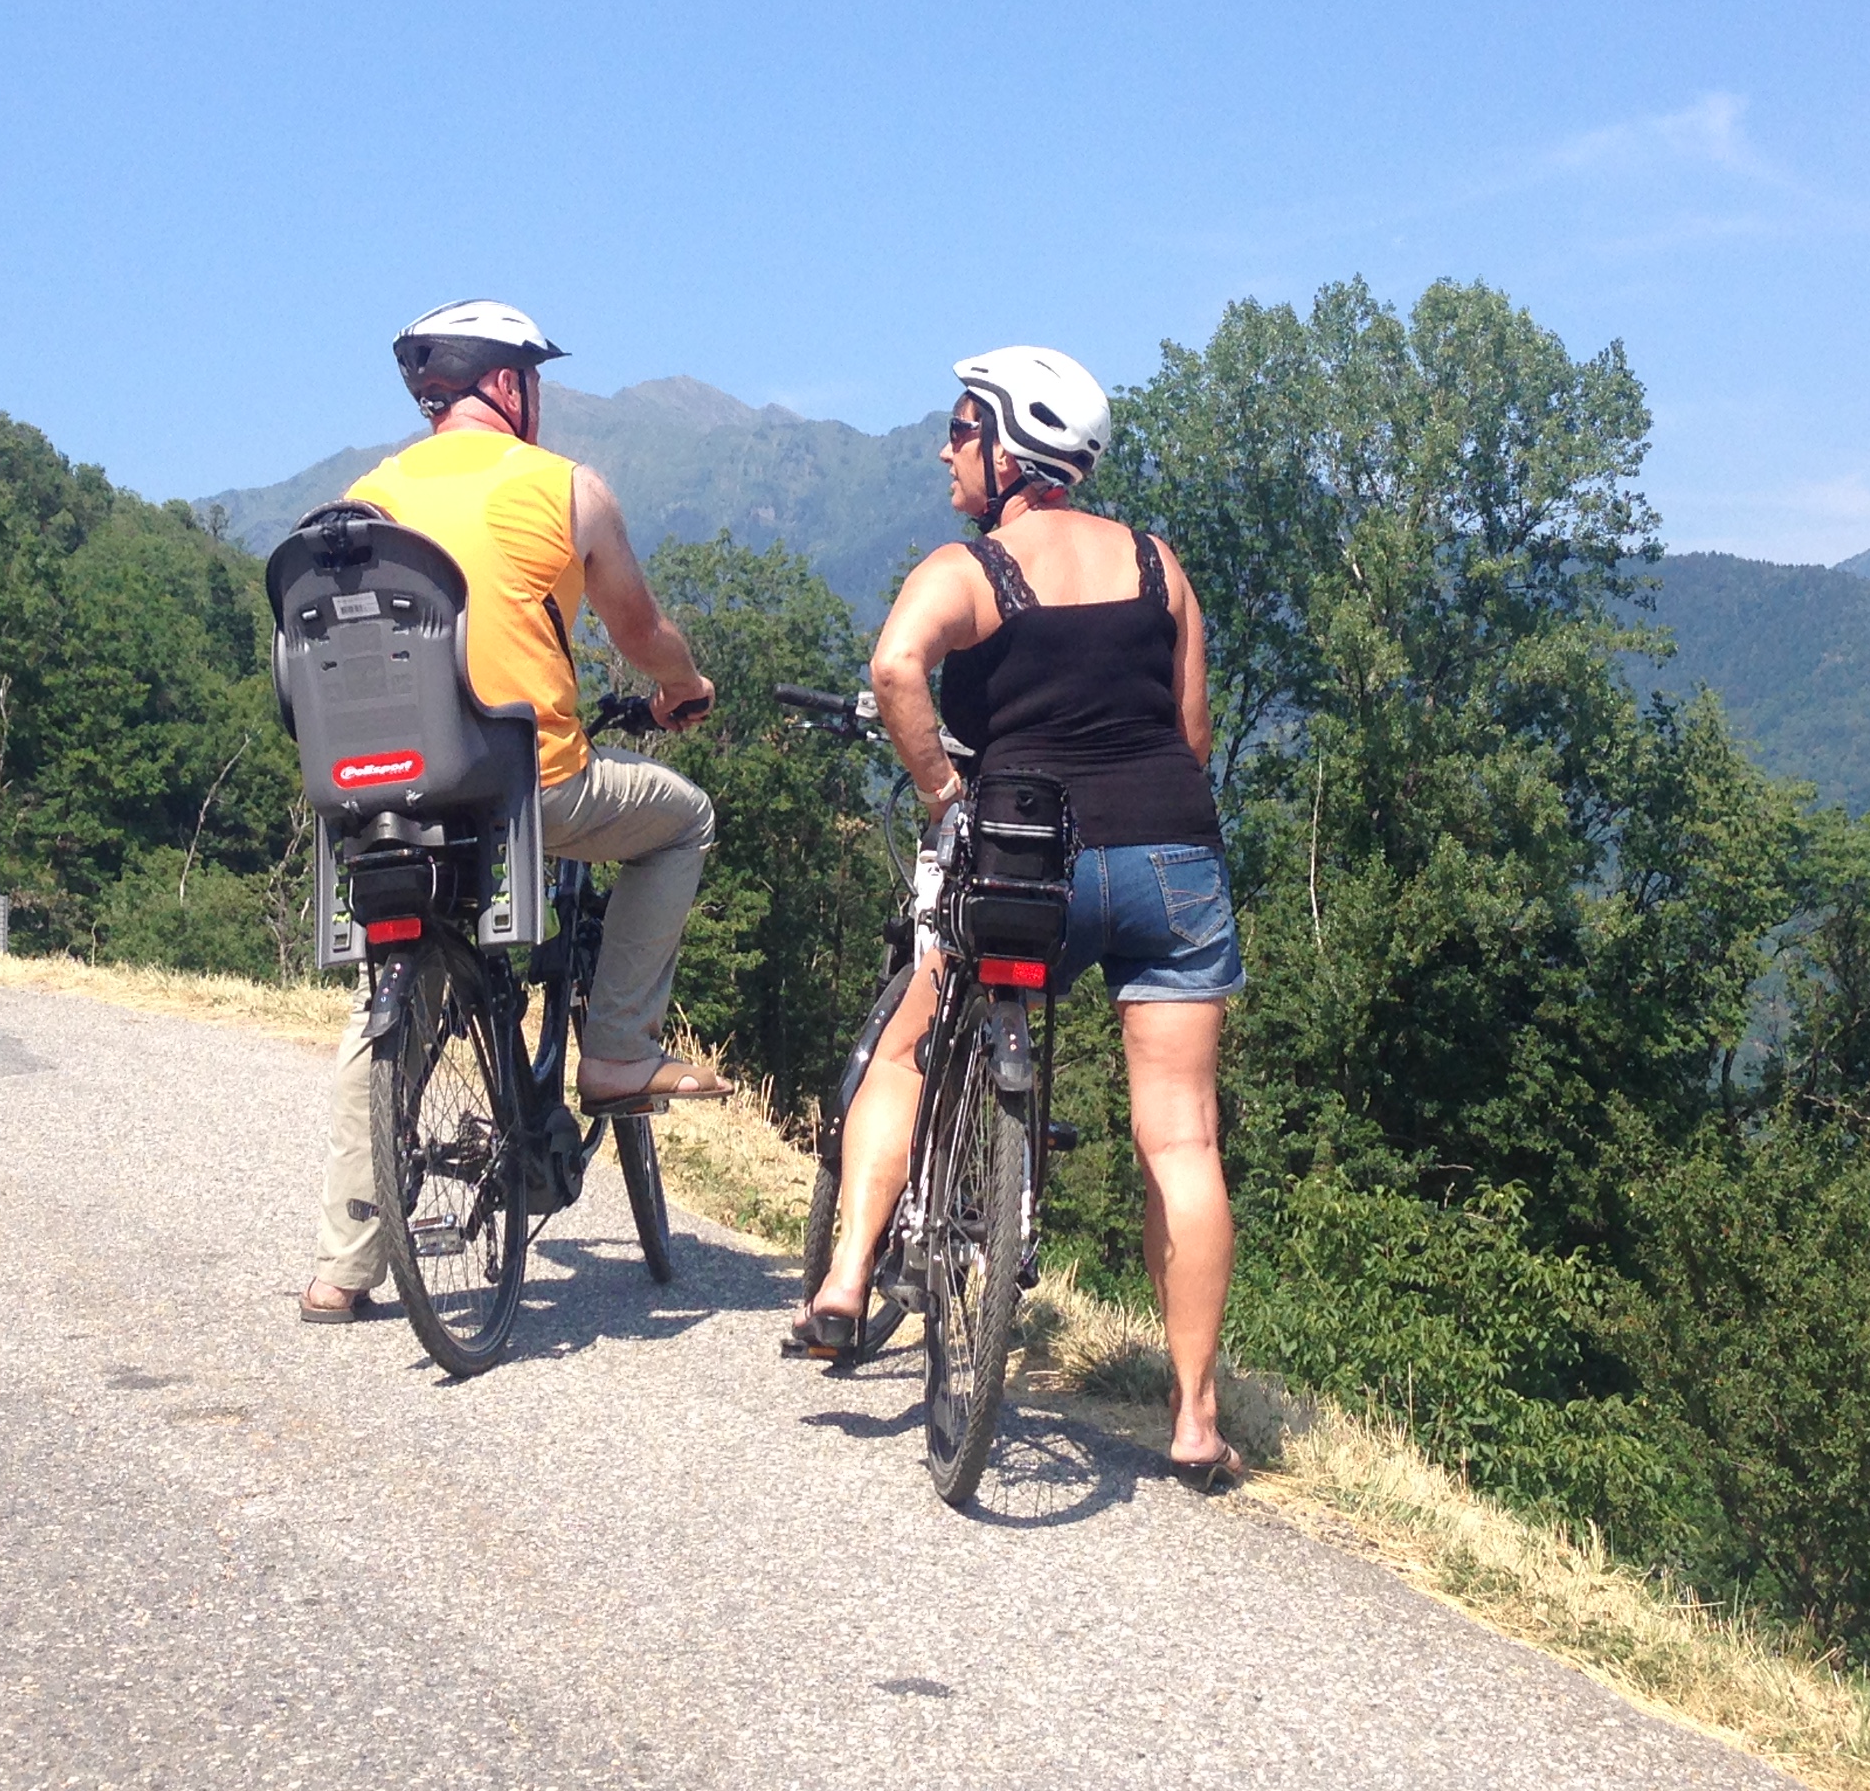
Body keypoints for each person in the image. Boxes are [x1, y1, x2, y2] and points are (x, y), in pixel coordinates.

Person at [788, 345, 1246, 1486]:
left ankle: (846, 1280)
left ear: (1010, 450)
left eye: (959, 427)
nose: (946, 448)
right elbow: (1190, 737)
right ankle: (1194, 1420)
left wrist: (947, 798)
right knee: (1182, 1138)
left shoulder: (974, 567)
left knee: (905, 1048)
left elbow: (898, 669)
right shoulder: (1159, 565)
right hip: (1172, 862)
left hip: (1025, 863)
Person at [301, 299, 729, 1324]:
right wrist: (683, 688)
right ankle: (619, 1048)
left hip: (389, 793)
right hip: (525, 783)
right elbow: (639, 631)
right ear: (508, 384)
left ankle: (340, 1269)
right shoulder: (568, 489)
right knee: (683, 820)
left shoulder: (368, 500)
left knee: (385, 1012)